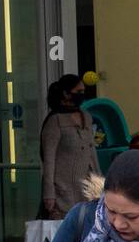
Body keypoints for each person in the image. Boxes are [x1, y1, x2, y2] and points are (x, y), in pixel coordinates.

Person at [40, 73, 100, 220]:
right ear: (66, 94)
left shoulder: (86, 116)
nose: (82, 95)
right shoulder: (55, 121)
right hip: (63, 191)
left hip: (87, 187)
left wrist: (99, 181)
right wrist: (49, 193)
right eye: (78, 92)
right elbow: (48, 160)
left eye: (83, 92)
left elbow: (91, 152)